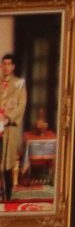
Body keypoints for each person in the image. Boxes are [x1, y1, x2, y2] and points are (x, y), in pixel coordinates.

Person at [0, 54, 23, 201]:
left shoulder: (19, 84)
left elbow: (21, 105)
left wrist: (8, 118)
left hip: (9, 128)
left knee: (7, 161)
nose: (6, 67)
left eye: (9, 64)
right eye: (4, 64)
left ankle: (8, 194)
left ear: (13, 66)